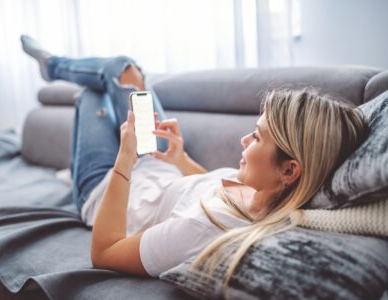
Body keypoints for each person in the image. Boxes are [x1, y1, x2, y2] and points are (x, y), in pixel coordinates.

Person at [21, 35, 368, 293]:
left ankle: (53, 67)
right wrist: (181, 159)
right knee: (125, 70)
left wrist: (124, 159)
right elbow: (211, 189)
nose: (243, 140)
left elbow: (104, 251)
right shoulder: (267, 191)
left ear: (290, 171)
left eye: (258, 137)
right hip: (157, 162)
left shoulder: (203, 229)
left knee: (93, 93)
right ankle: (59, 69)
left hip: (105, 187)